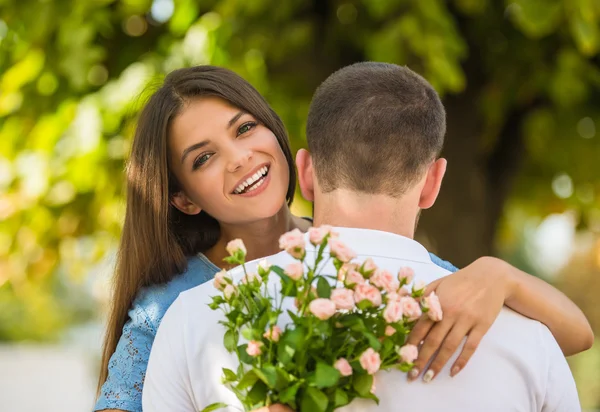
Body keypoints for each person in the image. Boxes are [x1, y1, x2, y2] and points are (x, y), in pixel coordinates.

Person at [96, 66, 592, 412]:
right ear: (183, 199)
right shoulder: (174, 308)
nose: (239, 158)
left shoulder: (366, 250)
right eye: (203, 158)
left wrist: (499, 275)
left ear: (300, 164)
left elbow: (571, 336)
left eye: (245, 128)